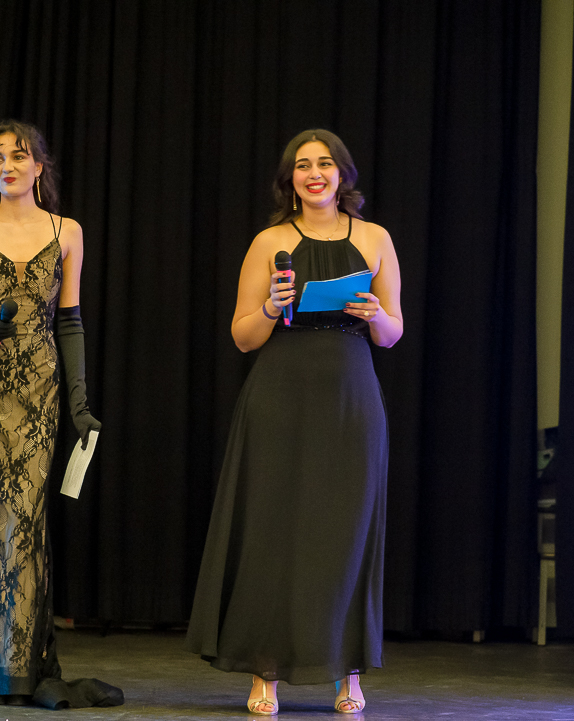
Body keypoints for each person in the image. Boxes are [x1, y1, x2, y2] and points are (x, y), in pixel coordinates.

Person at [186, 129, 403, 714]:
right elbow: (242, 335)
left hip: (350, 394)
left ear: (342, 174)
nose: (314, 174)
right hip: (281, 393)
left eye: (325, 164)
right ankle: (266, 669)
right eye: (303, 166)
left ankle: (348, 672)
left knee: (346, 534)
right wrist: (270, 307)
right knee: (273, 531)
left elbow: (392, 334)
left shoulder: (375, 238)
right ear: (290, 180)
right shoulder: (270, 241)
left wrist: (374, 312)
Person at [0, 120, 122, 710]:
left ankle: (18, 665)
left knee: (25, 523)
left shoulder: (66, 231)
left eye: (19, 156)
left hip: (38, 387)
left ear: (40, 166)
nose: (7, 166)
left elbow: (70, 321)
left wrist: (78, 401)